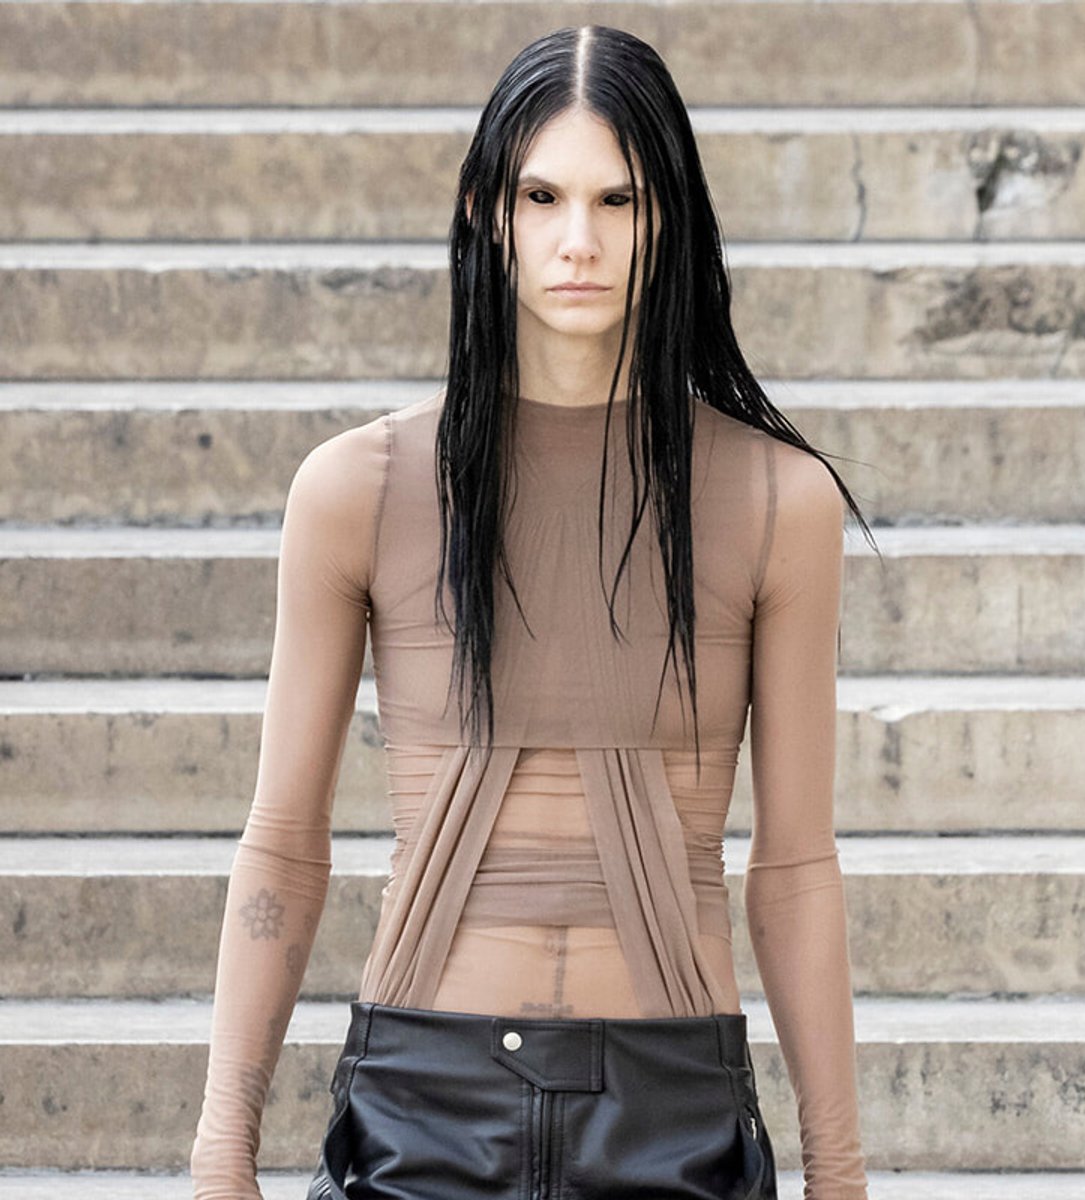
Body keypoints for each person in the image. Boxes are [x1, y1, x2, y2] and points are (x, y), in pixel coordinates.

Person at [190, 23, 879, 1200]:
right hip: (422, 1098)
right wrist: (221, 1152)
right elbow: (286, 843)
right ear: (484, 211)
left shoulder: (779, 498)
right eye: (542, 194)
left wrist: (843, 1173)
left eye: (619, 200)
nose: (579, 240)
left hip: (676, 1108)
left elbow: (796, 866)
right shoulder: (359, 489)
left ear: (669, 219)